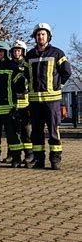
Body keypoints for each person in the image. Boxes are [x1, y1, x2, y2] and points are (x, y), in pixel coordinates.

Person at [25, 23, 71, 170]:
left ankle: (55, 159)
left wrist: (59, 85)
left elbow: (66, 72)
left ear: (48, 36)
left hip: (52, 100)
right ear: (35, 37)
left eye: (43, 34)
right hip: (34, 101)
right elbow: (25, 75)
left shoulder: (57, 53)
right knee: (36, 132)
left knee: (53, 131)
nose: (40, 37)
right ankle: (39, 160)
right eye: (38, 34)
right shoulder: (30, 55)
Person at [0, 42, 25, 167]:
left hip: (8, 108)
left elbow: (21, 86)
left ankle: (16, 159)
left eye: (1, 51)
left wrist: (16, 104)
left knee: (12, 136)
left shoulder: (12, 67)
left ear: (6, 53)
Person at [10, 40, 33, 165]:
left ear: (23, 52)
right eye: (14, 50)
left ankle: (29, 154)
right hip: (12, 104)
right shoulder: (9, 66)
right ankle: (14, 156)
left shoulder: (27, 66)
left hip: (26, 104)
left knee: (27, 131)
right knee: (13, 132)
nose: (16, 52)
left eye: (18, 50)